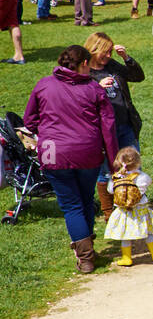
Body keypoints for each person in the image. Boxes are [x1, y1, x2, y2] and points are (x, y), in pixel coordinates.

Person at [23, 44, 118, 273]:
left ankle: (85, 258)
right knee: (85, 200)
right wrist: (114, 159)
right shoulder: (94, 89)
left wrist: (46, 131)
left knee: (71, 205)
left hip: (52, 152)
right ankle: (88, 252)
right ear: (84, 63)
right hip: (87, 151)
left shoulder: (44, 85)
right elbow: (108, 126)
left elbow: (29, 120)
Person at [86, 32, 145, 217]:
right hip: (103, 131)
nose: (109, 56)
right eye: (106, 52)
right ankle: (109, 212)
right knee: (106, 170)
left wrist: (126, 58)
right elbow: (78, 100)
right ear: (95, 50)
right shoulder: (85, 72)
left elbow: (137, 77)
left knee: (133, 166)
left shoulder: (112, 65)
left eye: (111, 52)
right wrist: (97, 88)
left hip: (125, 124)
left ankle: (134, 204)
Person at [103, 146, 153, 266]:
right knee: (148, 233)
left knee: (125, 235)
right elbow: (146, 183)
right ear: (138, 162)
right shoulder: (142, 176)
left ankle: (127, 258)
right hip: (140, 209)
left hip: (123, 211)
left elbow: (110, 190)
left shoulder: (116, 177)